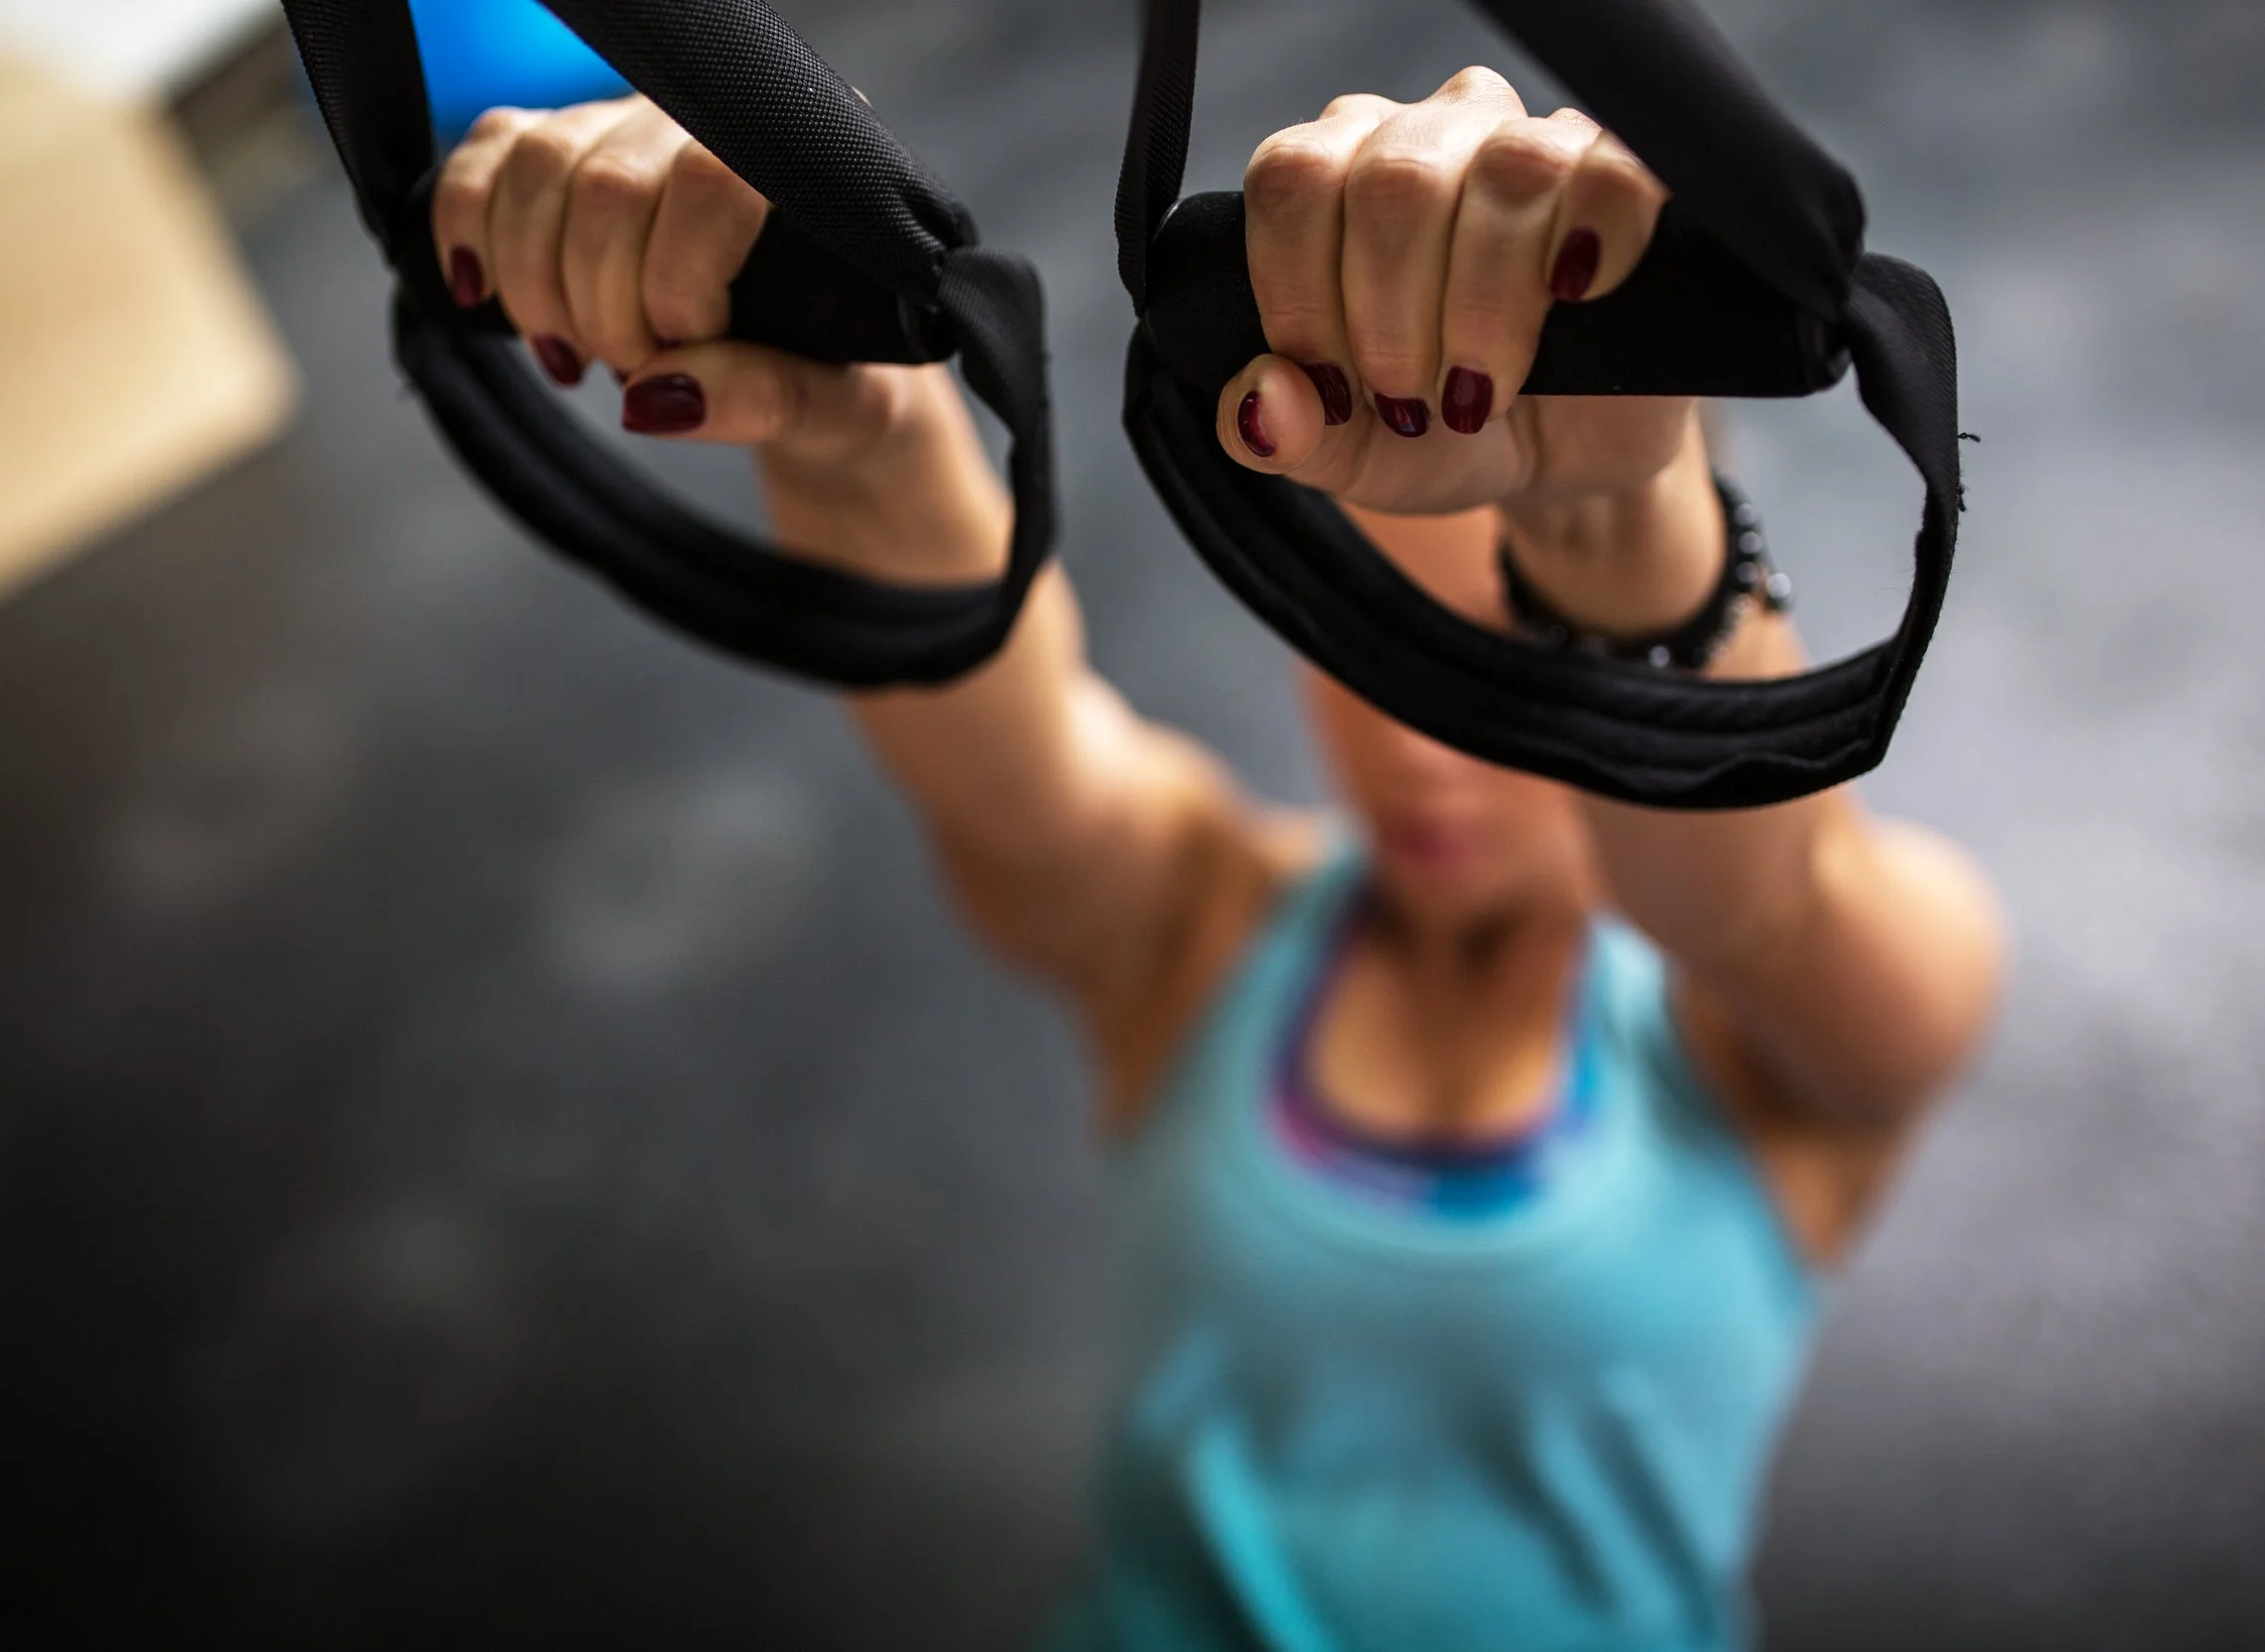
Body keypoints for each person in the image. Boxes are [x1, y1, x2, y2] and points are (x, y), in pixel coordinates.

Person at [427, 67, 2004, 1651]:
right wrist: (861, 423)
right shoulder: (1202, 920)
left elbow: (1755, 891)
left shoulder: (1793, 1025)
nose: (1424, 744)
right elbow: (1014, 765)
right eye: (1378, 652)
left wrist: (1619, 520)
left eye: (1500, 662)